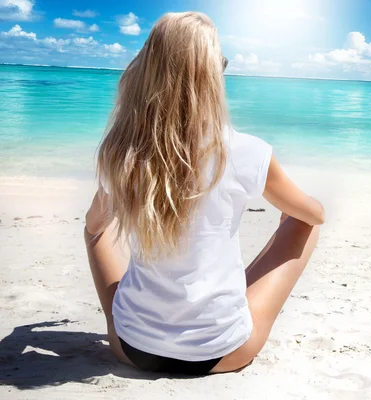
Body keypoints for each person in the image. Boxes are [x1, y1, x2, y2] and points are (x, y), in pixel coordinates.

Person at [83, 11, 325, 376]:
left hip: (131, 349)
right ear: (211, 76)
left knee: (95, 231)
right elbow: (312, 215)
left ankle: (127, 319)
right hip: (223, 353)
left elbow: (95, 225)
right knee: (307, 220)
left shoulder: (121, 152)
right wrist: (309, 206)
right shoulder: (245, 151)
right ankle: (212, 313)